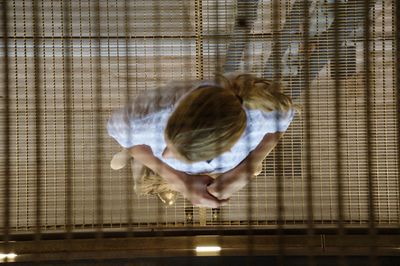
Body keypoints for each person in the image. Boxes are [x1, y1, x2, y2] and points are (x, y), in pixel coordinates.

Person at [107, 73, 296, 208]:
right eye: (169, 141)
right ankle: (128, 156)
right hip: (149, 143)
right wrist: (180, 181)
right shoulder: (144, 117)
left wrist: (244, 171)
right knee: (141, 167)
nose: (166, 153)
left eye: (181, 155)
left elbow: (279, 127)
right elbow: (128, 138)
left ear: (228, 147)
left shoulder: (260, 114)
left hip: (223, 166)